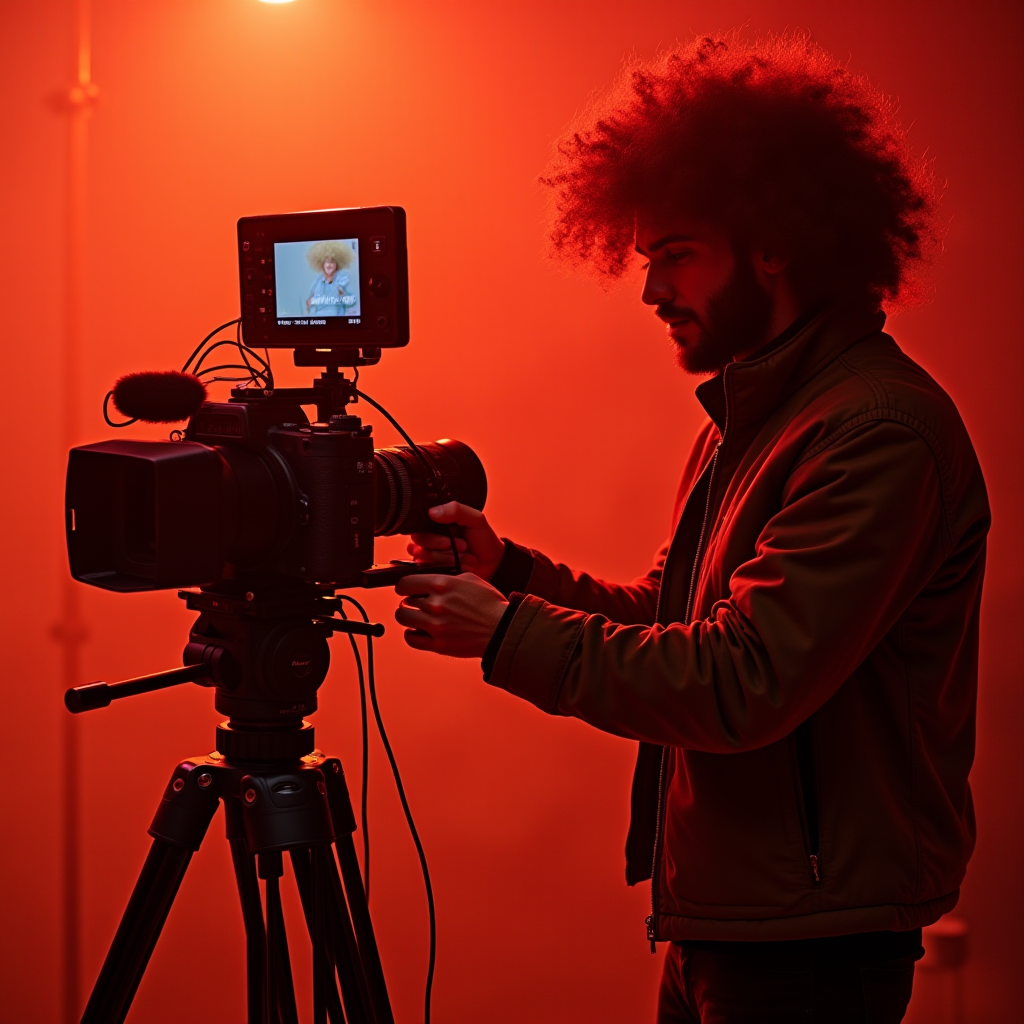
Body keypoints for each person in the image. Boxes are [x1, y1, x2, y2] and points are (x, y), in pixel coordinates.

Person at [393, 34, 989, 1023]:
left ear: (771, 241)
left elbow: (741, 679)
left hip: (812, 946)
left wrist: (500, 633)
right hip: (735, 920)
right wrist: (510, 576)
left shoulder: (877, 433)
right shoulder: (753, 425)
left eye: (674, 254)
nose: (650, 290)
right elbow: (668, 618)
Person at [304, 239, 358, 316]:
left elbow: (353, 300)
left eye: (332, 262)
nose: (328, 265)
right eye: (326, 262)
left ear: (337, 264)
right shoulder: (317, 282)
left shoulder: (343, 280)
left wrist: (342, 297)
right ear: (322, 264)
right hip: (318, 324)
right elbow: (309, 303)